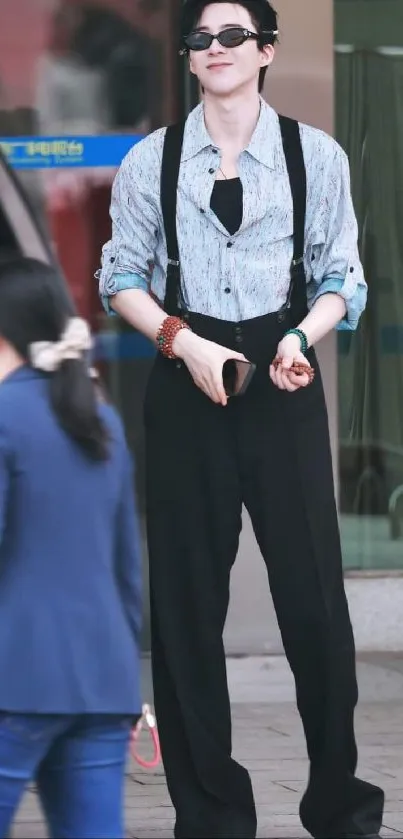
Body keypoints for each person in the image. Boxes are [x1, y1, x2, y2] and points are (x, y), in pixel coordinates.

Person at [97, 2, 384, 837]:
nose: (214, 49)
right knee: (185, 610)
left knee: (315, 608)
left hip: (283, 380)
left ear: (264, 49)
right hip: (183, 378)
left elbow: (343, 276)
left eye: (232, 36)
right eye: (199, 39)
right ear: (187, 59)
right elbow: (121, 275)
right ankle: (212, 813)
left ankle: (340, 803)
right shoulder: (152, 160)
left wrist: (299, 336)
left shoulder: (312, 155)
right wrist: (181, 342)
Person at [0, 257, 142, 839]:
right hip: (103, 681)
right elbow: (127, 571)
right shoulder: (98, 418)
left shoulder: (6, 416)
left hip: (16, 676)